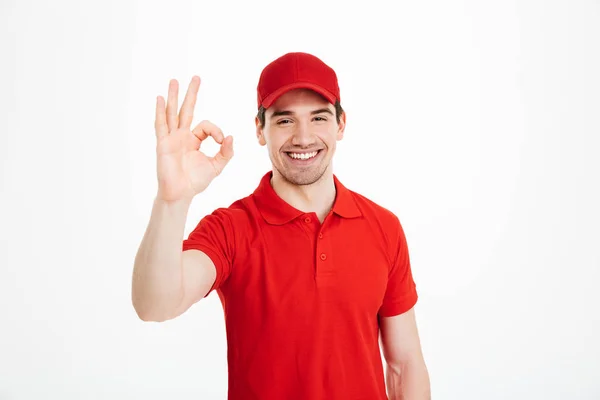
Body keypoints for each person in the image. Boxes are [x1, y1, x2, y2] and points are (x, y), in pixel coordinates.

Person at [132, 52, 431, 400]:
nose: (303, 138)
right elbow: (154, 305)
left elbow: (404, 364)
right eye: (285, 121)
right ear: (261, 129)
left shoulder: (383, 227)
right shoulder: (232, 229)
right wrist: (172, 201)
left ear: (341, 124)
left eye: (318, 118)